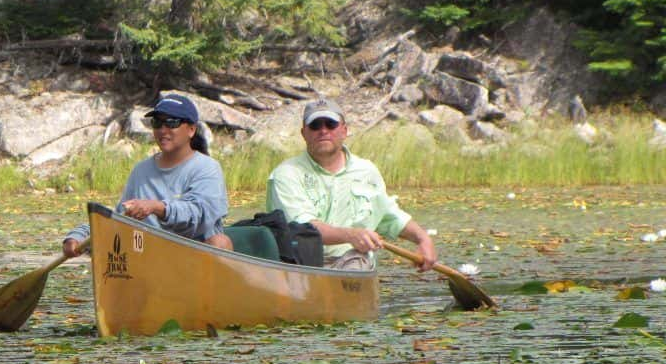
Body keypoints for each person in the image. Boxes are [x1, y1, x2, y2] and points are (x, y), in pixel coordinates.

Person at [266, 97, 436, 271]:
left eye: (331, 124)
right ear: (304, 133)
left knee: (356, 263)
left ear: (344, 131)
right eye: (315, 125)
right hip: (300, 265)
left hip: (354, 262)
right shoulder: (286, 174)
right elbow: (304, 228)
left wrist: (423, 239)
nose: (323, 130)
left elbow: (389, 216)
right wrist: (350, 235)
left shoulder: (367, 171)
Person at [63, 94, 233, 257]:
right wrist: (77, 237)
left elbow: (199, 216)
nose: (162, 130)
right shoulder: (141, 170)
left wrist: (158, 207)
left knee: (220, 242)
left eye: (171, 123)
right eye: (157, 123)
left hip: (193, 257)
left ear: (191, 130)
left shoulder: (208, 168)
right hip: (149, 255)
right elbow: (120, 218)